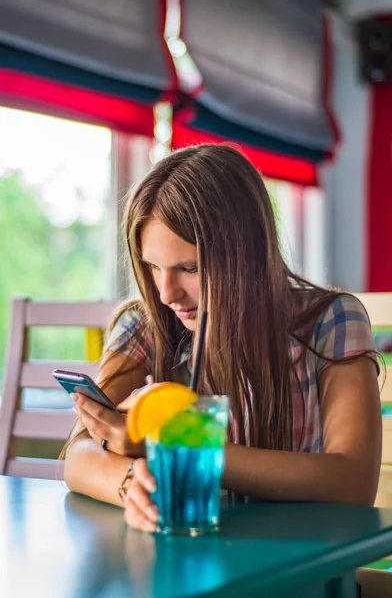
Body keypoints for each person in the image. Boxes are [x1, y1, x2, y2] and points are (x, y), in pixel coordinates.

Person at [63, 144, 382, 533]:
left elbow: (353, 483)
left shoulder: (330, 321)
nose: (166, 293)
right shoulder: (147, 324)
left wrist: (176, 446)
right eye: (152, 267)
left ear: (248, 254)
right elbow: (78, 455)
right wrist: (130, 483)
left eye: (190, 268)